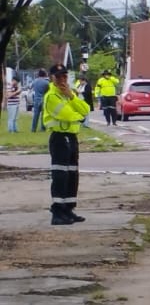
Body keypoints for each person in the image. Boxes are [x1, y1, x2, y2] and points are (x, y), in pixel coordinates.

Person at [43, 64, 90, 225]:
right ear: (52, 78)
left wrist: (71, 96)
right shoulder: (51, 96)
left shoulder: (68, 94)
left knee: (72, 175)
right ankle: (57, 211)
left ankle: (68, 209)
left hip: (71, 137)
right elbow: (68, 115)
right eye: (58, 77)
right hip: (59, 138)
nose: (62, 79)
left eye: (64, 76)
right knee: (60, 175)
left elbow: (86, 109)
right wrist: (79, 116)